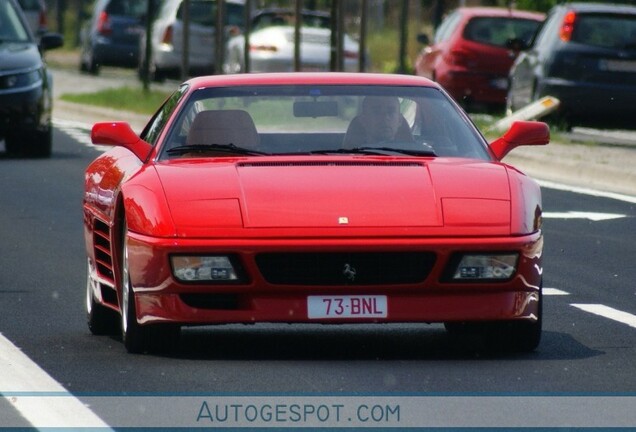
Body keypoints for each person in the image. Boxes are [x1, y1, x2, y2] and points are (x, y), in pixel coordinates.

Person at [342, 96, 413, 148]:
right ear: (363, 120)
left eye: (391, 112)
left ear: (400, 120)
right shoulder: (344, 157)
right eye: (377, 112)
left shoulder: (418, 153)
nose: (385, 117)